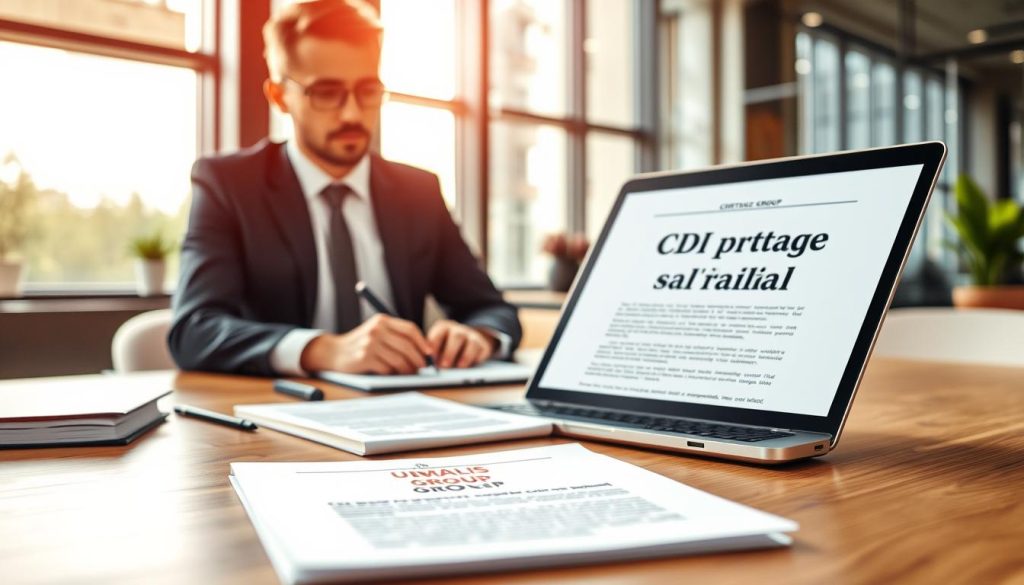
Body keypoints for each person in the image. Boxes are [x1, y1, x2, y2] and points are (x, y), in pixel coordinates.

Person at [168, 0, 520, 377]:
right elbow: (194, 329)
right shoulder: (229, 185)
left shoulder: (419, 191)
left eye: (367, 90)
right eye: (326, 92)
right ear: (280, 96)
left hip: (406, 411)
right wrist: (322, 350)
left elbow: (492, 309)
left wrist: (480, 335)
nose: (352, 113)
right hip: (278, 412)